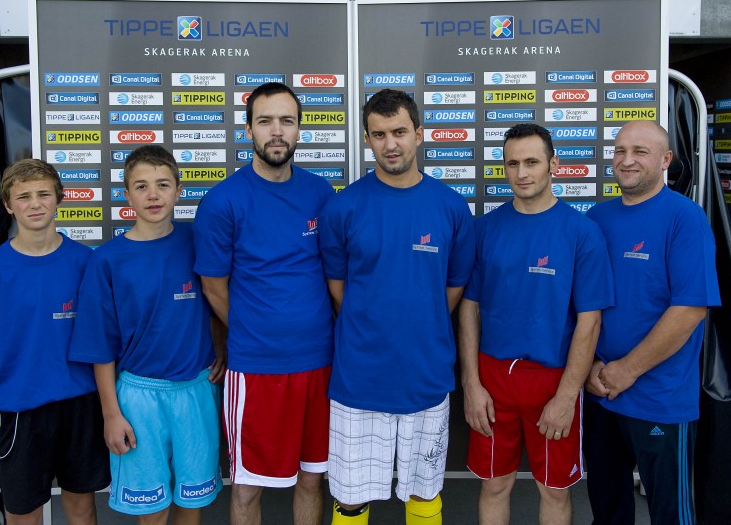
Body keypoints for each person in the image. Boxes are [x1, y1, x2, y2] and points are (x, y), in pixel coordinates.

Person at [318, 88, 475, 525]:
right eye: (379, 134)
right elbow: (338, 287)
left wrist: (419, 319)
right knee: (350, 499)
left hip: (425, 375)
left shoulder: (450, 206)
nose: (391, 144)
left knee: (423, 494)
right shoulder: (343, 206)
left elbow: (453, 288)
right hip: (359, 378)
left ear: (419, 134)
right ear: (367, 139)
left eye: (400, 132)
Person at [457, 123, 615, 525]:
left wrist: (566, 396)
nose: (521, 173)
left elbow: (590, 322)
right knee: (494, 484)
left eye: (531, 162)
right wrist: (471, 384)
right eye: (512, 164)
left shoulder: (582, 232)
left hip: (553, 380)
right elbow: (469, 308)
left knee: (554, 489)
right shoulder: (485, 228)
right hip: (493, 377)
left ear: (553, 165)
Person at [193, 82, 335, 525]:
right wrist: (256, 330)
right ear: (248, 129)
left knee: (312, 479)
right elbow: (213, 287)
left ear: (299, 130)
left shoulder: (321, 193)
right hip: (256, 368)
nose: (277, 131)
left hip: (321, 364)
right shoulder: (223, 201)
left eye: (286, 121)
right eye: (265, 121)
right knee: (248, 487)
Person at [69, 145, 224, 525]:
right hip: (138, 398)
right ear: (126, 195)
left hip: (196, 391)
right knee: (151, 510)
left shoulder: (197, 241)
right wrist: (111, 414)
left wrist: (221, 347)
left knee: (191, 502)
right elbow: (99, 344)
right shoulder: (107, 259)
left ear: (179, 190)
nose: (153, 195)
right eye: (141, 186)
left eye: (162, 184)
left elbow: (216, 298)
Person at [584, 120, 720, 525]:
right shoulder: (597, 217)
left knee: (669, 513)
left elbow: (690, 309)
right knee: (607, 509)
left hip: (660, 398)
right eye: (620, 151)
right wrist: (589, 367)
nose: (627, 160)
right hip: (600, 391)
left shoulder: (685, 218)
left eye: (640, 152)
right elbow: (583, 303)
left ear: (665, 160)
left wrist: (626, 370)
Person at [0, 158, 109, 525]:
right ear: (8, 205)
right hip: (20, 407)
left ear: (59, 198)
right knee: (23, 511)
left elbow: (103, 335)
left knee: (81, 505)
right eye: (23, 196)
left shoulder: (85, 262)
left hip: (80, 403)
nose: (35, 204)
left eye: (43, 194)